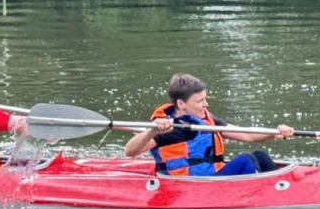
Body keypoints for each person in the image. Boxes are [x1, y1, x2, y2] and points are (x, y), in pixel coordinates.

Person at [123, 73, 294, 176]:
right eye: (199, 101)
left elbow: (247, 134)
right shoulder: (168, 129)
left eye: (205, 99)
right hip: (190, 184)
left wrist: (275, 132)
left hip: (212, 175)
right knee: (246, 161)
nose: (206, 105)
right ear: (182, 104)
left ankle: (280, 190)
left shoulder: (205, 120)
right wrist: (151, 132)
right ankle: (263, 196)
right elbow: (130, 151)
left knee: (260, 155)